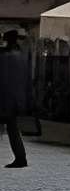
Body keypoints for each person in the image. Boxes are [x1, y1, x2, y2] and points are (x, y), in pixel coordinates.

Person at [1, 30, 31, 168]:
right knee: (13, 130)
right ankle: (21, 158)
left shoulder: (6, 57)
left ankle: (20, 158)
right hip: (16, 100)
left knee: (12, 130)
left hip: (5, 100)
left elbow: (4, 81)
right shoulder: (22, 57)